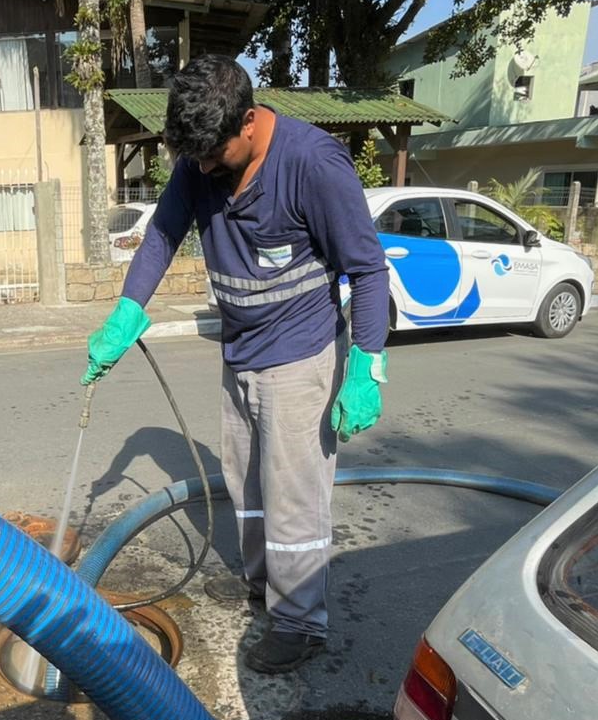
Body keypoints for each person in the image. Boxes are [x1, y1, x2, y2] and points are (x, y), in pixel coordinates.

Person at [81, 54, 390, 674]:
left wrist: (366, 365)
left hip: (301, 357)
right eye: (191, 159)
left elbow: (367, 268)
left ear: (249, 123)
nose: (200, 169)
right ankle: (262, 586)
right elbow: (164, 233)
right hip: (240, 351)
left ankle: (301, 619)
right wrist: (126, 311)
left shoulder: (313, 164)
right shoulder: (201, 161)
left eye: (211, 156)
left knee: (295, 496)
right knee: (247, 483)